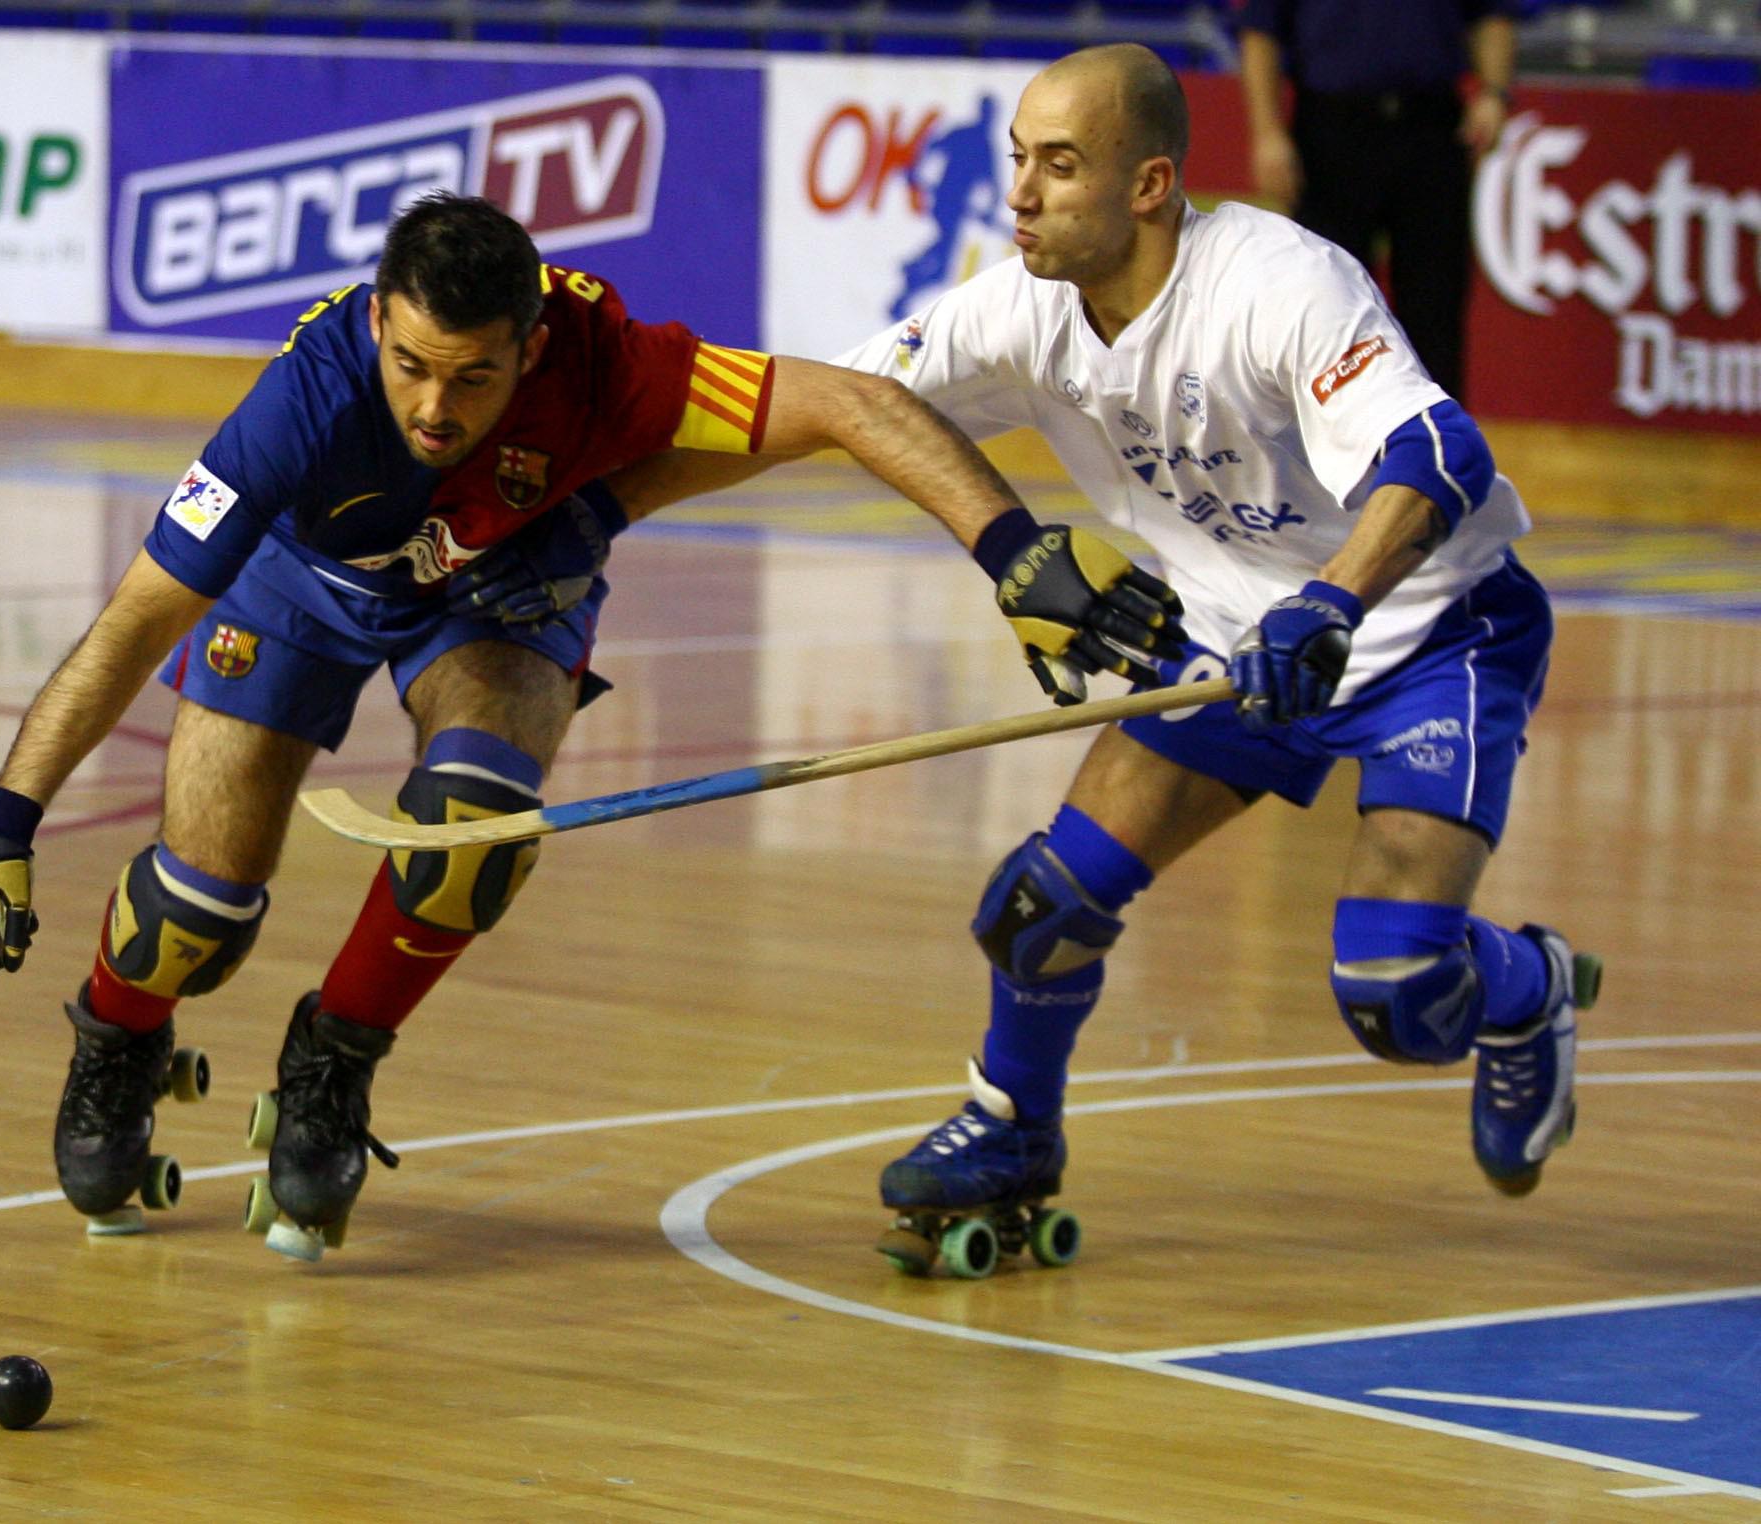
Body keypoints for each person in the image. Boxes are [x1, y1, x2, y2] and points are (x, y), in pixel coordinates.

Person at [0, 192, 1184, 1259]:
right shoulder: (297, 410)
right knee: (194, 915)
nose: (434, 404)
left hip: (500, 587)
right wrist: (1, 825)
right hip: (300, 587)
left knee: (474, 827)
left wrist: (1015, 554)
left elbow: (849, 404)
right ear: (376, 320)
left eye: (473, 377)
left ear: (531, 348)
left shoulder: (609, 357)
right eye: (411, 364)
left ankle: (337, 1058)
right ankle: (120, 1036)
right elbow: (135, 620)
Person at [605, 45, 1598, 1268]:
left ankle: (1526, 987)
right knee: (1041, 910)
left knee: (1395, 994)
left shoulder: (1279, 284)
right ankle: (1013, 1127)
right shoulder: (1014, 310)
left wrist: (1331, 605)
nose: (1020, 192)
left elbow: (1441, 456)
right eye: (1018, 159)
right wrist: (601, 515)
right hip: (1229, 654)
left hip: (1429, 634)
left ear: (1151, 184)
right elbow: (823, 405)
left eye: (1059, 166)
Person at [1232, 0, 1520, 400]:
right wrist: (1266, 132)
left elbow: (1491, 13)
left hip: (1432, 127)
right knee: (1328, 303)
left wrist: (1494, 92)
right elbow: (1260, 32)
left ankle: (1438, 449)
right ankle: (1330, 450)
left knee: (1434, 306)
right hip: (1331, 131)